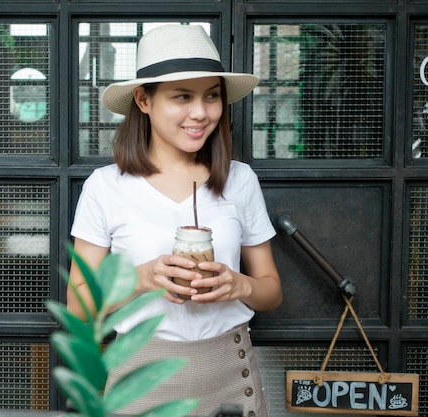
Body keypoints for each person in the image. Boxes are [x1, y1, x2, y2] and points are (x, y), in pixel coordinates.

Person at [67, 24, 282, 417]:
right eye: (182, 96)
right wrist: (142, 278)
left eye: (212, 96)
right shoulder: (106, 186)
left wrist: (239, 284)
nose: (200, 113)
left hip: (230, 373)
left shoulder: (240, 180)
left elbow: (270, 292)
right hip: (140, 376)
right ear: (143, 100)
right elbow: (77, 306)